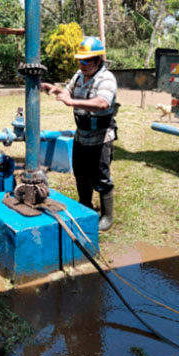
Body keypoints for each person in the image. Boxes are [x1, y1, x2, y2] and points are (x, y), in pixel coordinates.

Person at [41, 36, 118, 231]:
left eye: (86, 61)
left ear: (98, 60)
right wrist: (56, 89)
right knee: (81, 174)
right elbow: (68, 93)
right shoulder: (79, 76)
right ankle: (85, 206)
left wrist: (72, 102)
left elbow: (103, 103)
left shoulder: (106, 78)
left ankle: (107, 216)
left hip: (100, 137)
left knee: (101, 176)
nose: (82, 64)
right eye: (79, 60)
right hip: (81, 135)